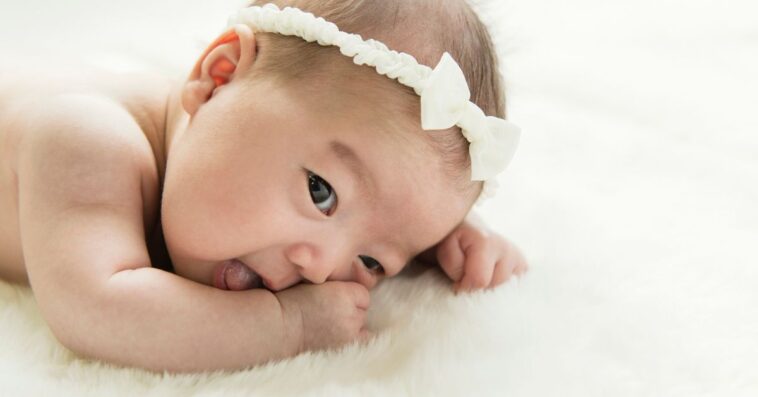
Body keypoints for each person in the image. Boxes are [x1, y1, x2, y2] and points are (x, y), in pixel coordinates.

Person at [0, 0, 527, 372]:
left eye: (372, 262)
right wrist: (287, 327)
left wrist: (444, 237)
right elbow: (97, 311)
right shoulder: (83, 138)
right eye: (322, 192)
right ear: (219, 77)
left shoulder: (237, 146)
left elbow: (387, 198)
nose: (320, 269)